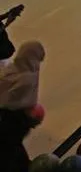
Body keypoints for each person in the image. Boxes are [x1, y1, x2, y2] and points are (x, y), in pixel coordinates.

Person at [0, 41, 45, 172]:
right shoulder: (28, 76)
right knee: (11, 150)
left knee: (10, 150)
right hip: (15, 121)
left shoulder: (12, 72)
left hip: (11, 121)